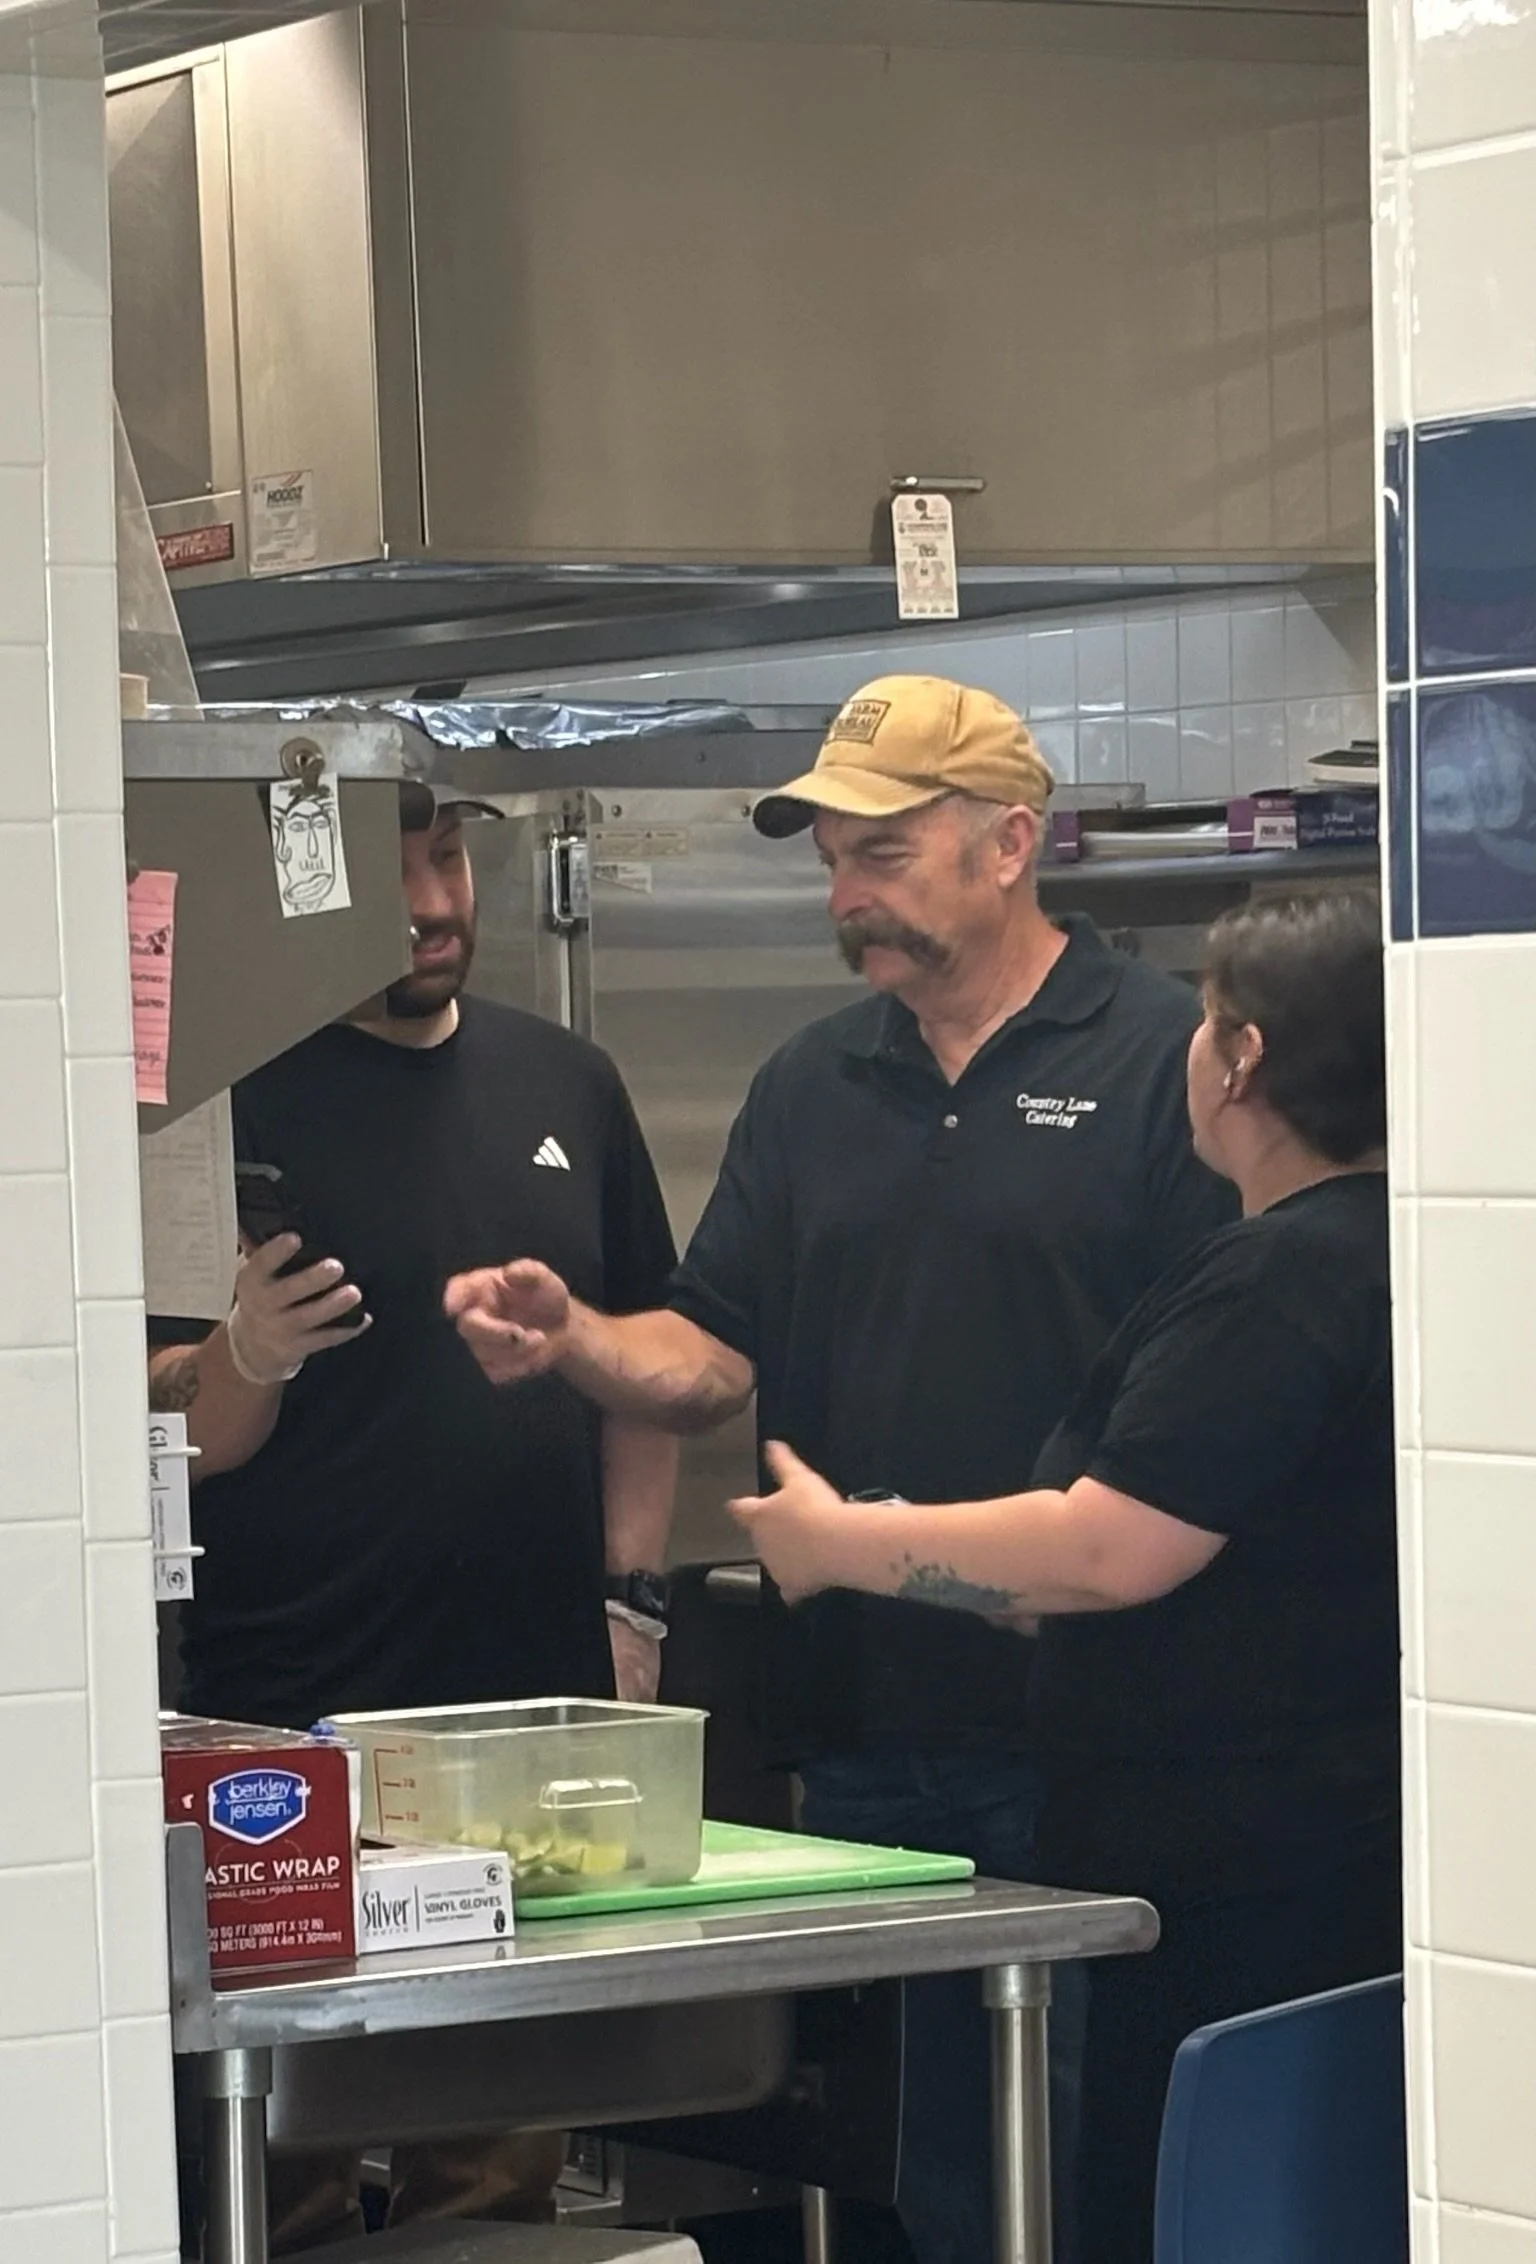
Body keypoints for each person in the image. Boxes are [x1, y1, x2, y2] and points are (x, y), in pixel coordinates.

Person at [444, 676, 1237, 2264]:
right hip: (868, 1733)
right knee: (930, 2170)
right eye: (828, 863)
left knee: (1089, 2173)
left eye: (880, 854)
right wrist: (578, 1339)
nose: (845, 896)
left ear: (1012, 843)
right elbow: (714, 1354)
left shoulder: (1172, 1066)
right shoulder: (815, 1082)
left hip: (1100, 1733)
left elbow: (1211, 1414)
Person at [728, 891, 1400, 2264]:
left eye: (1206, 1027)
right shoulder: (1408, 1247)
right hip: (1316, 1852)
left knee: (1174, 2214)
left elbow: (1107, 1550)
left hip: (1240, 1880)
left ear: (1241, 1060)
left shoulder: (1281, 1280)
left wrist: (837, 1544)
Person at [150, 784, 679, 2254]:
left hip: (514, 1734)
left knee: (493, 2191)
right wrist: (244, 1354)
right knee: (275, 2188)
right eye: (392, 881)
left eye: (447, 862)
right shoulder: (225, 1107)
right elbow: (155, 1436)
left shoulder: (567, 1083)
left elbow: (647, 1361)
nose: (436, 907)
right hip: (282, 1735)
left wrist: (633, 1607)